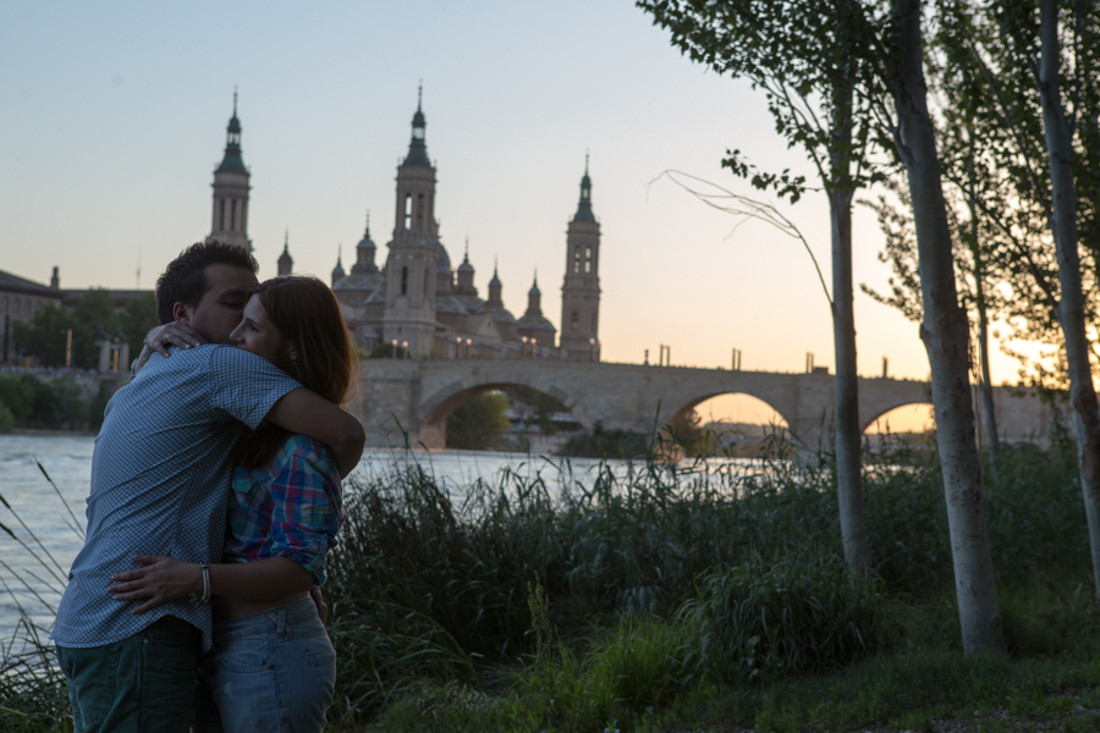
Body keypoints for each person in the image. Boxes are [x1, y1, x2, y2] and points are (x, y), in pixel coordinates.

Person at [52, 241, 365, 733]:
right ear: (183, 314)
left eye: (252, 309)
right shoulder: (220, 367)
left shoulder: (146, 376)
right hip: (139, 620)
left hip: (100, 617)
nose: (243, 322)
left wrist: (300, 510)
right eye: (233, 303)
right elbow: (347, 432)